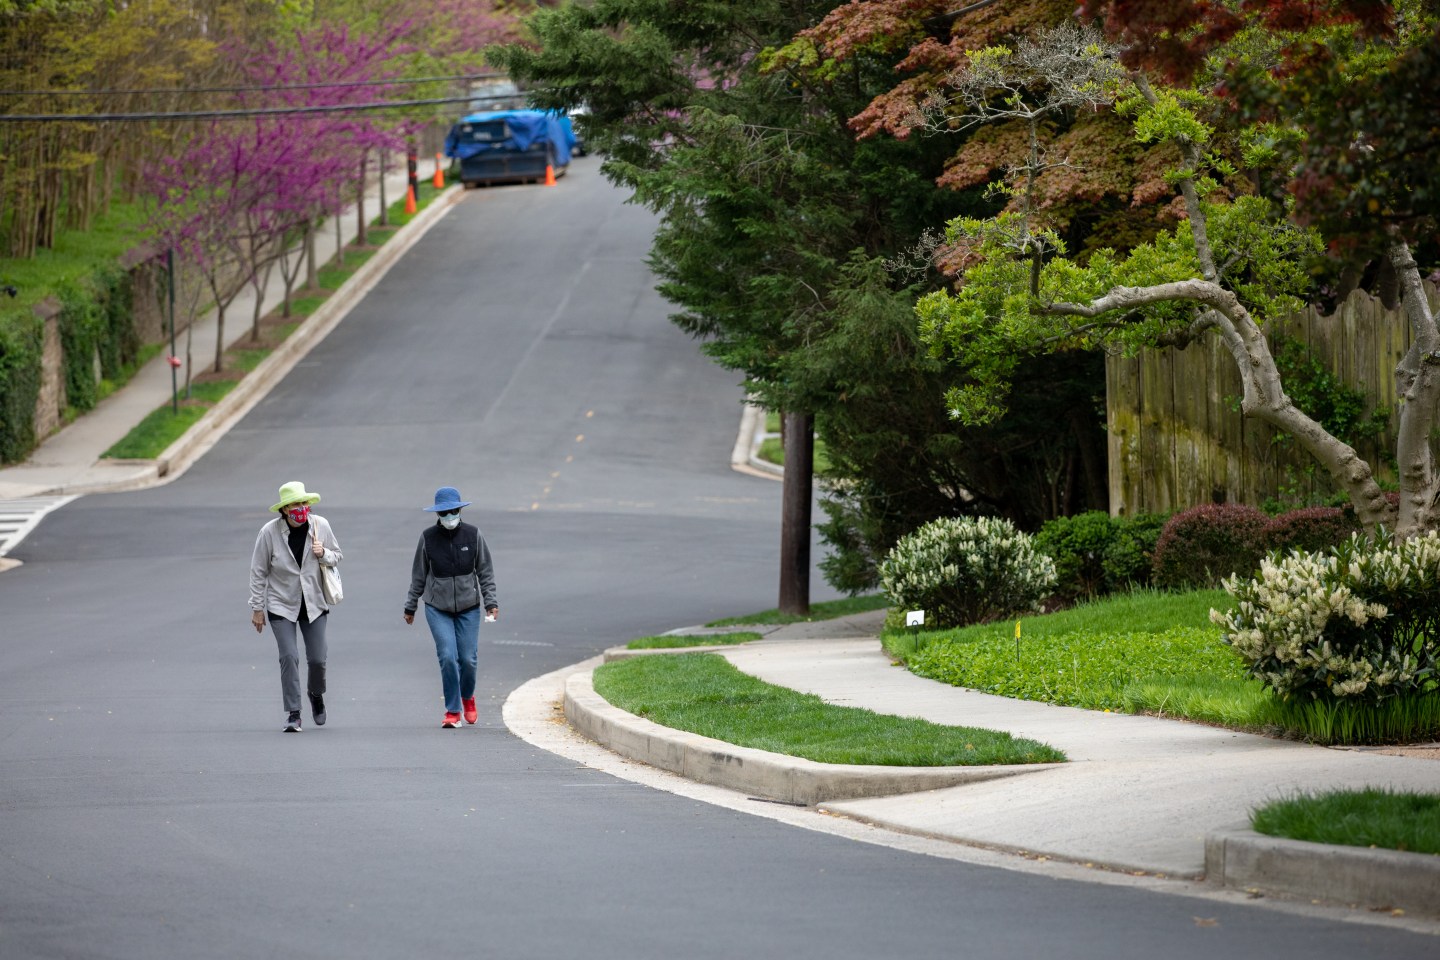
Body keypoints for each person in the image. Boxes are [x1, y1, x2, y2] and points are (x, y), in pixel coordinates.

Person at [249, 481, 342, 733]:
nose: (301, 508)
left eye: (304, 503)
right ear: (284, 510)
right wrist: (257, 608)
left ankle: (316, 693)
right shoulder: (268, 533)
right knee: (289, 657)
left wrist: (323, 553)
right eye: (295, 505)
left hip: (314, 603)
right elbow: (258, 572)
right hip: (282, 604)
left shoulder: (320, 525)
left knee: (317, 659)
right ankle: (293, 712)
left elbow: (337, 555)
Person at [404, 486, 498, 728]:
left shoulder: (473, 535)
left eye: (453, 511)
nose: (449, 516)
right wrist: (410, 605)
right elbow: (418, 575)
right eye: (444, 513)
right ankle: (453, 711)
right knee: (447, 656)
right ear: (437, 514)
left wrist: (491, 602)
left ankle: (468, 697)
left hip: (469, 606)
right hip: (437, 607)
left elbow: (485, 571)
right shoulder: (427, 538)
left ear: (459, 510)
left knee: (468, 659)